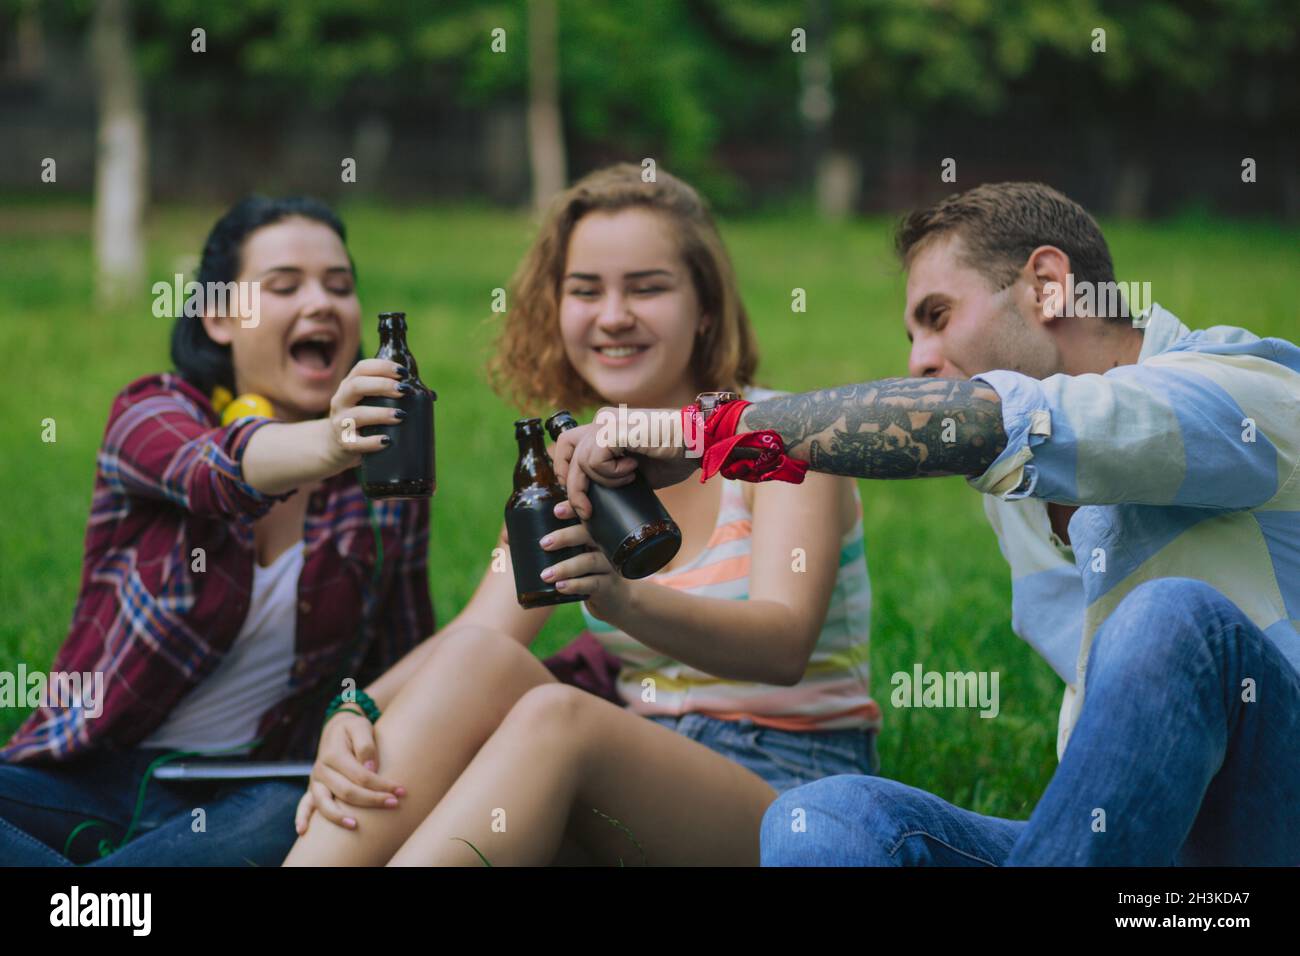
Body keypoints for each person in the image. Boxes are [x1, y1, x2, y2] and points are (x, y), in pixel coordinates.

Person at [554, 182, 1300, 866]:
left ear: (1047, 285)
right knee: (826, 815)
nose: (918, 359)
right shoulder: (1022, 499)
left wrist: (702, 434)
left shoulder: (1243, 393)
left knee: (1172, 619)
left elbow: (985, 425)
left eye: (937, 318)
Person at [284, 163, 879, 867]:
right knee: (484, 664)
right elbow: (475, 638)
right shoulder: (565, 470)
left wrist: (620, 598)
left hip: (790, 795)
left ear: (706, 308)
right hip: (637, 778)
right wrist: (353, 710)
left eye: (648, 287)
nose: (613, 315)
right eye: (585, 290)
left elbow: (781, 648)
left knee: (557, 717)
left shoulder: (774, 435)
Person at [0, 196, 435, 866]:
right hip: (85, 780)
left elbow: (404, 663)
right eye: (285, 286)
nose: (322, 303)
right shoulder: (152, 413)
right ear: (218, 316)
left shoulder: (386, 489)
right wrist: (333, 439)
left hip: (252, 795)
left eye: (340, 286)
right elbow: (216, 472)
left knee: (297, 813)